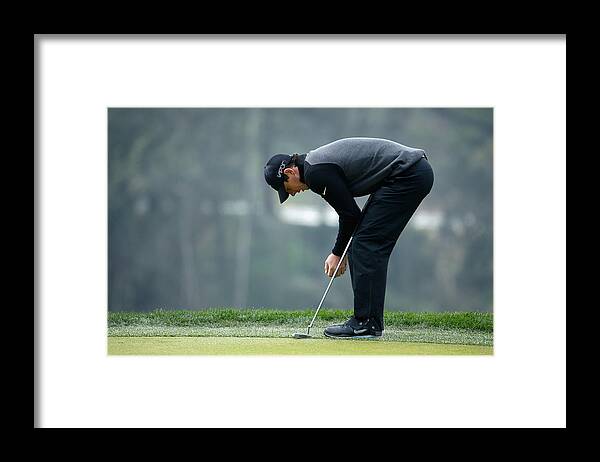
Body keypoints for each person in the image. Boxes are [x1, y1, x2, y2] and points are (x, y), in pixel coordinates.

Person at [263, 137, 434, 339]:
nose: (291, 194)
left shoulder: (315, 173)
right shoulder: (314, 167)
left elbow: (350, 215)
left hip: (407, 174)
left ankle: (365, 324)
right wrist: (342, 251)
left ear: (289, 172)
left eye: (286, 188)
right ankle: (369, 323)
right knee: (364, 242)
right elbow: (353, 216)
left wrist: (337, 253)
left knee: (365, 244)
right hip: (407, 173)